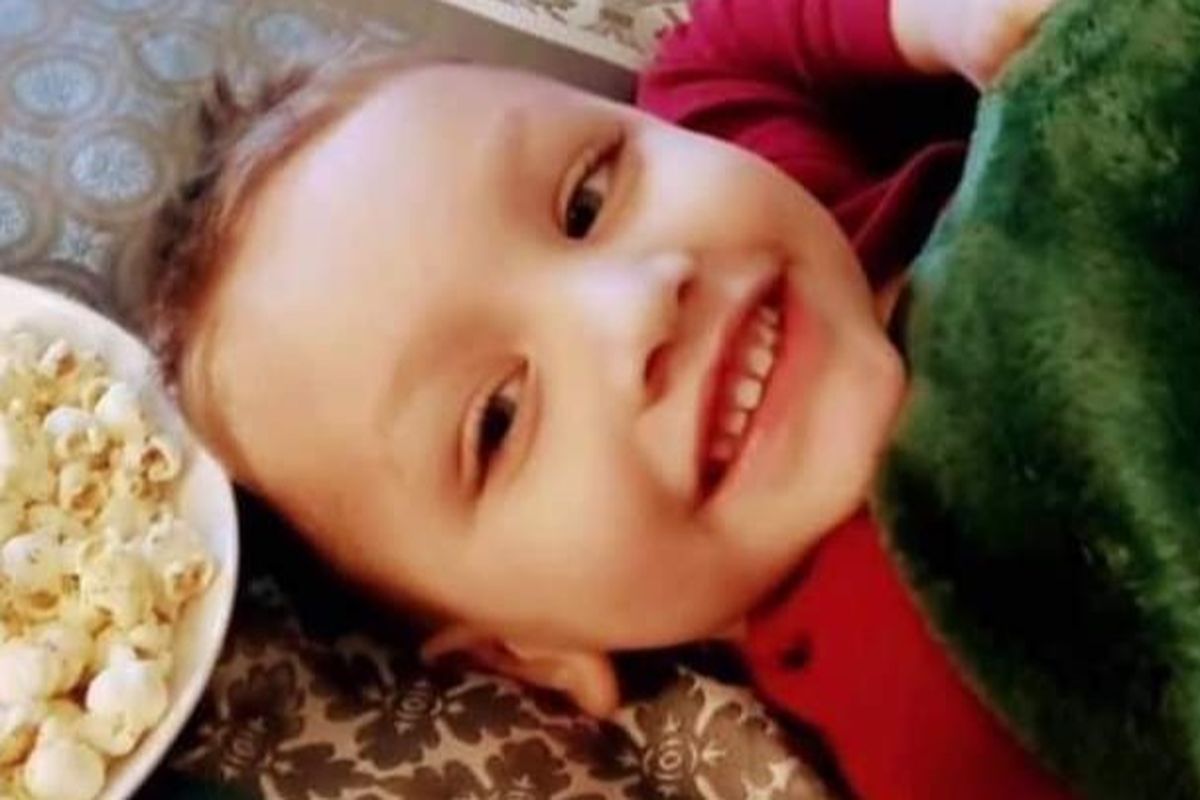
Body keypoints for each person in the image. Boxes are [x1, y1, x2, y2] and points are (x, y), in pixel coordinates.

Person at [138, 0, 1070, 796]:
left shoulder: (825, 214)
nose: (634, 309)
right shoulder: (934, 703)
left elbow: (705, 57)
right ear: (526, 652)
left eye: (586, 200)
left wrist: (933, 18)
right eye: (498, 420)